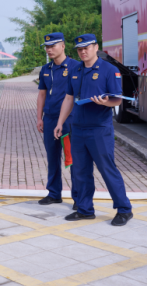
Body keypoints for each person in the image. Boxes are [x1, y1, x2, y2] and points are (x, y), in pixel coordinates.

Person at [54, 34, 133, 226]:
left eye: (86, 48)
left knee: (107, 169)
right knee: (80, 171)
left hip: (99, 129)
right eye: (79, 49)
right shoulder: (75, 70)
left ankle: (124, 209)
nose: (82, 52)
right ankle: (85, 209)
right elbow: (69, 98)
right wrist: (59, 123)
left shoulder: (109, 70)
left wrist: (106, 102)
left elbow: (117, 99)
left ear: (96, 47)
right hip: (78, 129)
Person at [36, 32, 77, 207]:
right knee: (52, 158)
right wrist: (39, 118)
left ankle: (79, 197)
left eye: (53, 45)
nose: (49, 49)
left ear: (63, 46)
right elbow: (41, 94)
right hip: (50, 119)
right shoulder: (46, 69)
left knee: (73, 159)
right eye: (47, 46)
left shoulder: (76, 67)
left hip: (70, 121)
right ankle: (54, 193)